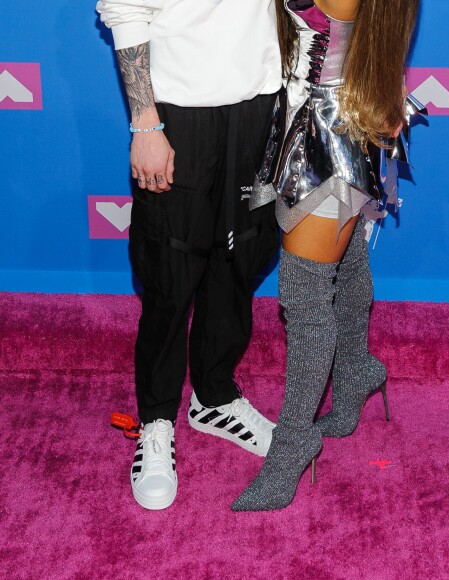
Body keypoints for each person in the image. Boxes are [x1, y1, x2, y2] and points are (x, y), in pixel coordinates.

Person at [232, 0, 420, 511]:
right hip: (332, 119)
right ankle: (357, 367)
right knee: (349, 261)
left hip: (326, 138)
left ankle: (293, 445)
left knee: (306, 298)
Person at [96, 0, 283, 510]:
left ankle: (214, 397)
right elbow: (124, 8)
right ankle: (156, 419)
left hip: (261, 103)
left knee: (240, 256)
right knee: (168, 271)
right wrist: (145, 124)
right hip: (177, 111)